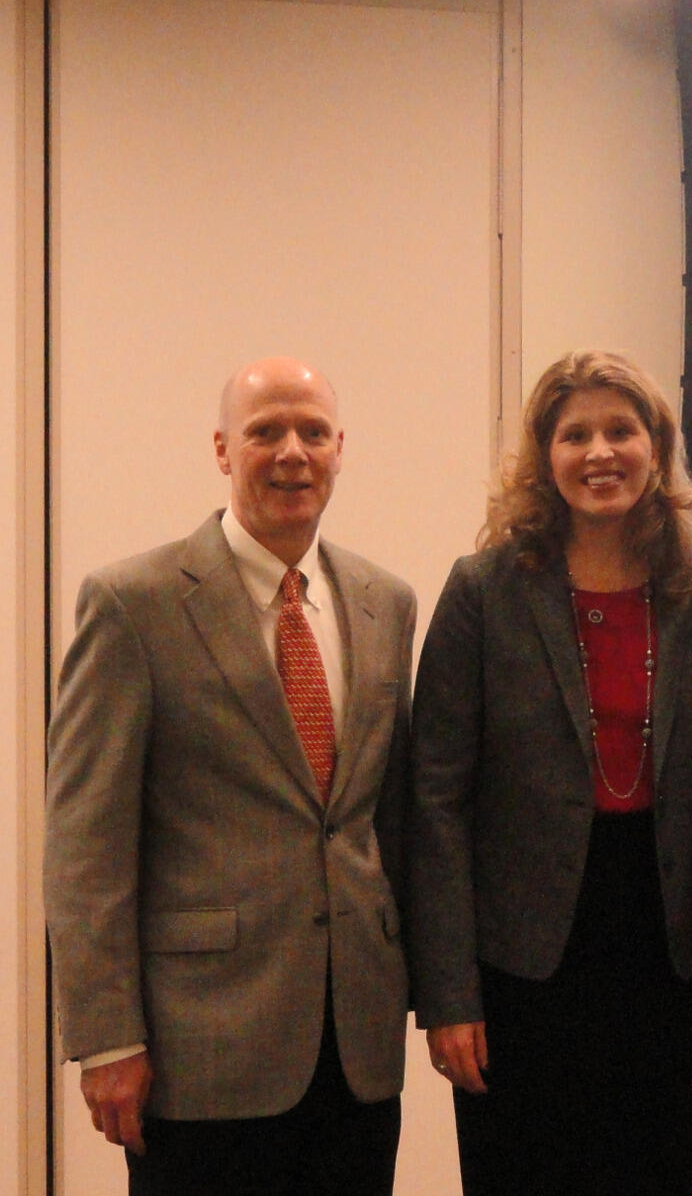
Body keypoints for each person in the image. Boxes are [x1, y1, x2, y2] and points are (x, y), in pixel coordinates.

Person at [43, 358, 417, 1195]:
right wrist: (107, 1038)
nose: (292, 452)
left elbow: (385, 817)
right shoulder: (132, 602)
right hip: (200, 1046)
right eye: (265, 431)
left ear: (340, 448)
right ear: (222, 448)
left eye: (312, 432)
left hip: (356, 1047)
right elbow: (85, 843)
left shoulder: (385, 601)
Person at [407, 350, 692, 1196]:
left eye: (621, 430)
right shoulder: (483, 591)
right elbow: (436, 801)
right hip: (518, 969)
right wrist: (448, 994)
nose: (601, 452)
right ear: (544, 455)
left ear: (656, 447)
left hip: (666, 959)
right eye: (575, 434)